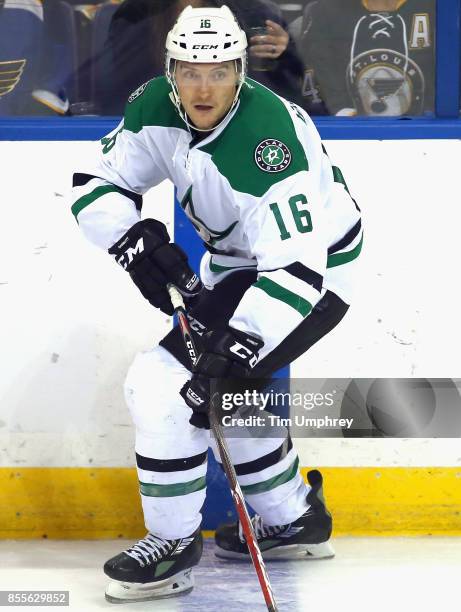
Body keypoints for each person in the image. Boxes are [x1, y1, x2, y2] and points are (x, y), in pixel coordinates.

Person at [70, 5, 363, 603]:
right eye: (189, 70)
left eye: (220, 71)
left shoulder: (267, 143)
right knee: (223, 391)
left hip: (314, 276)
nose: (204, 87)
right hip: (238, 264)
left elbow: (298, 273)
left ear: (241, 69)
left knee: (163, 384)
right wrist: (130, 240)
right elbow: (94, 184)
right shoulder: (154, 104)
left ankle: (173, 546)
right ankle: (292, 518)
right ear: (171, 68)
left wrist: (240, 344)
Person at [95, 0, 304, 114]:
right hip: (160, 121)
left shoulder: (253, 11)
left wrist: (285, 54)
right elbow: (121, 88)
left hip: (235, 122)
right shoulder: (135, 15)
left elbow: (285, 93)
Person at [298, 0, 435, 116]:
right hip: (348, 135)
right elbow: (317, 82)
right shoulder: (323, 12)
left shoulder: (439, 8)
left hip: (425, 133)